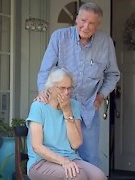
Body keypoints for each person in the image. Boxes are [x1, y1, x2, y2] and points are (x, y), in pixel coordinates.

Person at [36, 2, 120, 167]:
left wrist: (101, 95)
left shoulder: (106, 42)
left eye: (92, 23)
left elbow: (113, 74)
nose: (86, 26)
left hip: (88, 112)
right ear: (76, 19)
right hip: (59, 110)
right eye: (83, 20)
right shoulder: (59, 37)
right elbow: (46, 70)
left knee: (90, 161)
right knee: (59, 160)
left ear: (98, 25)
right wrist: (42, 92)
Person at [27, 68, 106, 180]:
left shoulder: (74, 106)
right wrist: (63, 161)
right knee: (78, 176)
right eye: (62, 88)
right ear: (50, 88)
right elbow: (37, 147)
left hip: (71, 157)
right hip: (41, 162)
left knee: (99, 177)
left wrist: (67, 111)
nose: (67, 92)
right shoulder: (38, 107)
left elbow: (76, 144)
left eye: (69, 88)